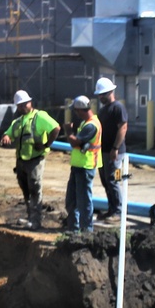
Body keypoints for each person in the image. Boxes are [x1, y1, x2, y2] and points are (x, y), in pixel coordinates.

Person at [0, 90, 61, 231]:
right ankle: (30, 217)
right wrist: (6, 137)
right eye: (20, 105)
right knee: (26, 191)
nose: (22, 107)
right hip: (21, 161)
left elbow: (56, 128)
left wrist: (46, 145)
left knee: (35, 190)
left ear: (30, 102)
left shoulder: (40, 117)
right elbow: (8, 133)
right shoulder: (18, 121)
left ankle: (36, 221)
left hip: (35, 160)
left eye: (24, 104)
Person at [64, 95, 102, 234]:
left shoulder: (91, 125)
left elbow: (75, 142)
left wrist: (68, 132)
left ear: (80, 110)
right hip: (78, 166)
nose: (75, 113)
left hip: (86, 167)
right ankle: (73, 229)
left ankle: (86, 231)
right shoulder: (86, 123)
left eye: (75, 110)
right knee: (72, 200)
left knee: (84, 201)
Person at [94, 78, 127, 220]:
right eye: (99, 95)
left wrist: (115, 148)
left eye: (103, 94)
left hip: (116, 153)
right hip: (103, 152)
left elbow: (123, 127)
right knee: (106, 180)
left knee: (114, 179)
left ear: (111, 92)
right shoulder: (102, 111)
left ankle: (118, 211)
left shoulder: (117, 108)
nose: (101, 97)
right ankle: (111, 209)